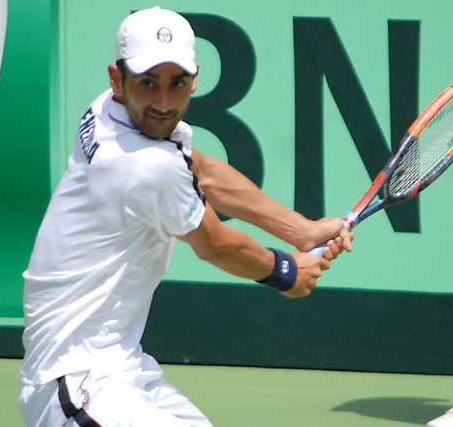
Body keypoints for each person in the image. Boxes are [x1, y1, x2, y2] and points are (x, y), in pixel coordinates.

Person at [18, 7, 353, 426]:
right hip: (76, 379)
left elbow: (203, 170)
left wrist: (300, 230)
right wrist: (286, 271)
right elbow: (216, 244)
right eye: (148, 83)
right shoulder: (143, 164)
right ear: (116, 78)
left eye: (176, 84)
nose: (162, 102)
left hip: (120, 367)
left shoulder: (113, 112)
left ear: (195, 80)